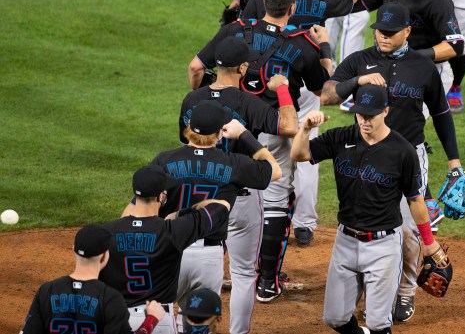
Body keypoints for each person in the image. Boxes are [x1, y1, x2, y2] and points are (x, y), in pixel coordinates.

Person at [188, 0, 332, 303]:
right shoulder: (302, 45)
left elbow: (196, 68)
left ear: (264, 3)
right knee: (276, 200)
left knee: (220, 189)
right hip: (275, 128)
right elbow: (324, 91)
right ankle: (267, 281)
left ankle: (209, 266)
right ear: (292, 8)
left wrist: (201, 96)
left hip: (228, 126)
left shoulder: (234, 32)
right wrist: (324, 49)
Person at [321, 3, 465, 323]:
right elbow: (327, 95)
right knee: (363, 220)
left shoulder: (423, 67)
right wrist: (357, 81)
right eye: (379, 31)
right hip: (365, 154)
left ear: (407, 32)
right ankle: (361, 283)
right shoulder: (359, 61)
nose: (383, 36)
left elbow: (442, 114)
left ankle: (405, 291)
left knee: (409, 231)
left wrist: (454, 162)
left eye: (390, 32)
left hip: (409, 156)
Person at [291, 84, 450, 334]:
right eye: (360, 114)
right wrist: (306, 128)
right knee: (334, 319)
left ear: (385, 111)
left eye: (371, 115)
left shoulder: (403, 152)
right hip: (345, 242)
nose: (364, 120)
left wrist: (429, 243)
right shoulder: (341, 137)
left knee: (378, 324)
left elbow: (415, 200)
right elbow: (299, 154)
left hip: (383, 247)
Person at [240, 0, 358, 247]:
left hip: (266, 84)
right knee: (305, 146)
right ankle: (304, 223)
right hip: (308, 82)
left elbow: (245, 37)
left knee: (264, 147)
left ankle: (261, 214)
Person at [178, 39, 294, 333]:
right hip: (241, 194)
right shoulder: (248, 102)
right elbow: (289, 126)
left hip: (198, 198)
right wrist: (281, 88)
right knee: (243, 273)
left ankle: (193, 325)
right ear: (242, 68)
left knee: (195, 266)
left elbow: (186, 145)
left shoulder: (192, 100)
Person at [99, 162, 232, 333]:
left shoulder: (105, 233)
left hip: (117, 320)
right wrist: (181, 213)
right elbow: (223, 206)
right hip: (159, 320)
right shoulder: (173, 231)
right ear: (160, 197)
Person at [20, 225, 166, 334]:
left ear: (73, 249)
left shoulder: (46, 291)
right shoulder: (110, 299)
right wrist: (151, 319)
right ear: (104, 256)